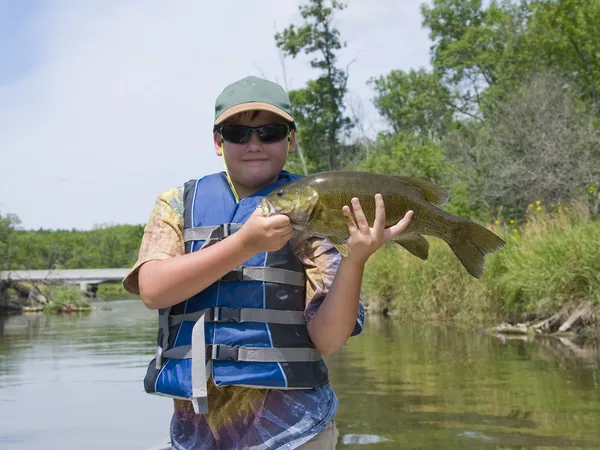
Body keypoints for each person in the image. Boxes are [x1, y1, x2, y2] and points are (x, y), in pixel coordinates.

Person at [123, 75, 413, 450]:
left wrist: (355, 260)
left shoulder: (316, 208)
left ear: (290, 140)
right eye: (238, 133)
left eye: (270, 132)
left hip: (296, 431)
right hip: (198, 434)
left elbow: (327, 338)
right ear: (218, 141)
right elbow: (153, 290)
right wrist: (244, 243)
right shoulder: (176, 203)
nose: (254, 144)